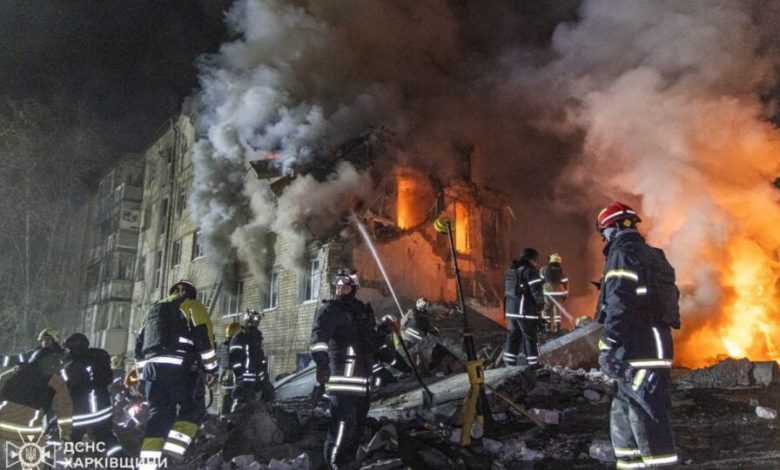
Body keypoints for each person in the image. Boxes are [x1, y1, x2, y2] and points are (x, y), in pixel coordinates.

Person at [595, 201, 678, 468]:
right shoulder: (654, 256)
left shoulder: (621, 255)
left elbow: (619, 305)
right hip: (655, 345)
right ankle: (630, 464)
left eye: (605, 232)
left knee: (647, 415)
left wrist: (608, 344)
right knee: (624, 410)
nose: (605, 238)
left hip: (636, 348)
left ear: (613, 229)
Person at [309, 270, 398, 469]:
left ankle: (349, 463)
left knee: (356, 429)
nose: (341, 289)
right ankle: (335, 464)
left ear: (354, 288)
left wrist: (384, 329)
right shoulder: (330, 310)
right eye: (338, 286)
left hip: (362, 385)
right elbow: (318, 339)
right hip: (342, 383)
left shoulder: (362, 311)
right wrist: (322, 364)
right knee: (342, 427)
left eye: (346, 286)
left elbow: (371, 343)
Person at [135, 279, 218, 466]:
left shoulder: (153, 311)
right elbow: (203, 338)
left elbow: (139, 346)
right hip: (181, 370)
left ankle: (148, 464)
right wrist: (212, 369)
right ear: (191, 293)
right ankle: (171, 457)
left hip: (152, 373)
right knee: (193, 409)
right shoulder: (191, 305)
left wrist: (142, 379)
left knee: (158, 416)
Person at [0, 329, 72, 443]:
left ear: (55, 340)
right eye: (43, 340)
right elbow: (14, 359)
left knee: (50, 416)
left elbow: (65, 378)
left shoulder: (61, 358)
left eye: (48, 340)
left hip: (45, 395)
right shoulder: (34, 354)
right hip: (31, 410)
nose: (45, 342)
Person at [63, 333, 123, 458]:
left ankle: (67, 463)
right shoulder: (97, 358)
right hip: (102, 409)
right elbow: (107, 380)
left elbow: (70, 385)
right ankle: (120, 462)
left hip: (82, 412)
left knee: (70, 441)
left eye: (68, 348)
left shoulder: (73, 363)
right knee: (107, 439)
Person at [503, 248, 544, 367]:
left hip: (511, 311)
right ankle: (533, 364)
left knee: (513, 336)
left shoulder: (511, 270)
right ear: (532, 259)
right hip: (524, 311)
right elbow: (536, 292)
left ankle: (509, 363)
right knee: (530, 337)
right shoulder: (530, 271)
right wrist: (540, 305)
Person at [229, 309, 273, 412]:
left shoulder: (257, 338)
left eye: (257, 320)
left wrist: (264, 374)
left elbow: (260, 359)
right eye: (254, 319)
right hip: (245, 379)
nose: (256, 322)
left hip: (257, 378)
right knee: (240, 402)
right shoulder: (240, 337)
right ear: (247, 321)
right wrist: (239, 376)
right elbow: (234, 359)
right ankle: (233, 419)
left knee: (267, 398)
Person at [540, 253, 569, 333]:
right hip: (559, 293)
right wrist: (566, 293)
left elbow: (540, 281)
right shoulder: (562, 270)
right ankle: (557, 327)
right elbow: (565, 282)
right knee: (557, 310)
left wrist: (540, 292)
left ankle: (547, 327)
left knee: (546, 309)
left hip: (547, 293)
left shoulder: (543, 269)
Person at [219, 321, 241, 417]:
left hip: (225, 374)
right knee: (231, 397)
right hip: (231, 375)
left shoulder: (225, 344)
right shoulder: (233, 344)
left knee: (225, 398)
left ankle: (223, 417)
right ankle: (227, 418)